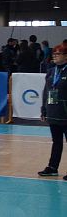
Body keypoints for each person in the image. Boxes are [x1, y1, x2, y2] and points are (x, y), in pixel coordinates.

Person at [37, 43, 67, 180]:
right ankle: (52, 167)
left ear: (66, 56)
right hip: (53, 111)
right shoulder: (51, 71)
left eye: (58, 54)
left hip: (65, 112)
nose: (54, 56)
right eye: (54, 53)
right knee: (56, 141)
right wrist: (43, 109)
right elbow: (46, 91)